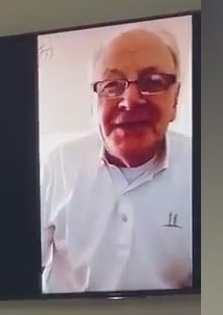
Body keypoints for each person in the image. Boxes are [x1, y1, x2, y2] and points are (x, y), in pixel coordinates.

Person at [41, 25, 194, 294]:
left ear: (176, 99)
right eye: (112, 85)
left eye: (153, 82)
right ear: (94, 104)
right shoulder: (58, 165)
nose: (130, 100)